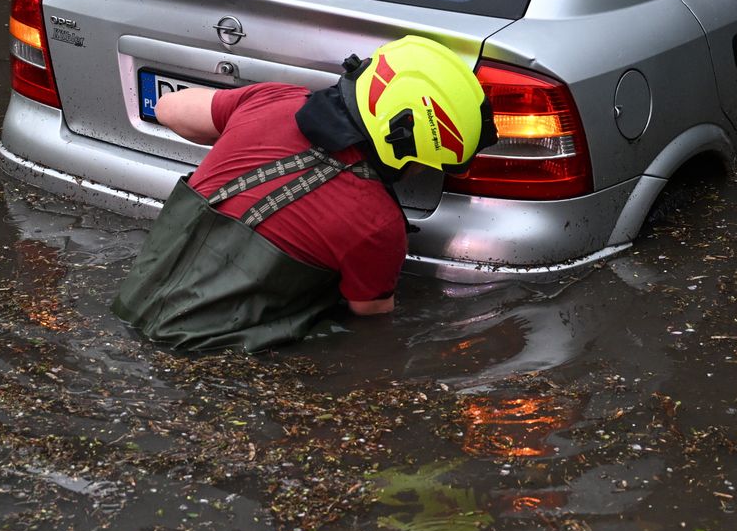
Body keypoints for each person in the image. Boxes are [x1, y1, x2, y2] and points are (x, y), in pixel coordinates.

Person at [111, 36, 494, 353]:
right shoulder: (379, 225)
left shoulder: (274, 100)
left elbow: (167, 108)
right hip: (208, 358)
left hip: (129, 309)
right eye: (428, 163)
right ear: (401, 144)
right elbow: (372, 313)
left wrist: (241, 127)